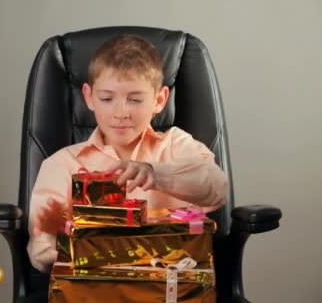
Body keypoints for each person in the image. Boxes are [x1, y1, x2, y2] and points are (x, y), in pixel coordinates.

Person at [26, 35, 229, 272]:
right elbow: (41, 243)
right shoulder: (62, 164)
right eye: (107, 98)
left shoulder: (175, 145)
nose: (120, 113)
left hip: (168, 284)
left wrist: (156, 174)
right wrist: (54, 249)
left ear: (160, 99)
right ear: (89, 97)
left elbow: (218, 187)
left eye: (134, 99)